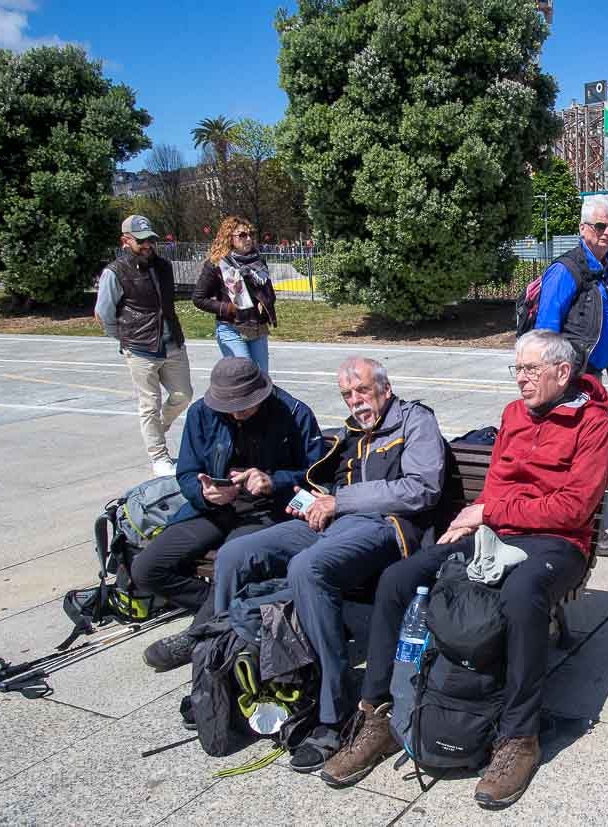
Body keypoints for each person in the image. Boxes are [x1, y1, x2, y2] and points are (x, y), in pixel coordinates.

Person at [319, 330, 608, 809]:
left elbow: (573, 510)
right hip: (494, 531)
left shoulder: (594, 424)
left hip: (558, 544)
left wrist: (493, 512)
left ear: (562, 372)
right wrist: (473, 518)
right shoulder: (515, 415)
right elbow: (494, 487)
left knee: (521, 596)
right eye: (516, 369)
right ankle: (378, 717)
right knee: (399, 579)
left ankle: (519, 738)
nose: (520, 379)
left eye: (529, 369)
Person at [212, 356, 446, 773]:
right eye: (346, 395)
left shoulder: (415, 421)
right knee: (236, 554)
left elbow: (421, 489)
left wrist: (340, 501)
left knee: (307, 569)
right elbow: (328, 483)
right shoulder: (351, 432)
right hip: (332, 524)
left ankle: (332, 710)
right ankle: (225, 674)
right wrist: (309, 501)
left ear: (385, 389)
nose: (355, 401)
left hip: (385, 527)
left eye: (361, 391)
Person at [136, 357, 324, 671]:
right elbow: (186, 472)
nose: (237, 412)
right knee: (146, 568)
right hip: (213, 509)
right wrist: (204, 492)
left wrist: (271, 480)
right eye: (229, 406)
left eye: (245, 406)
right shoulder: (201, 413)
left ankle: (198, 634)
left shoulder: (293, 413)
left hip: (267, 510)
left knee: (231, 559)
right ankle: (225, 605)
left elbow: (317, 475)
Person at [95, 215, 193, 477]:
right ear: (125, 241)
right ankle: (159, 457)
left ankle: (157, 428)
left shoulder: (164, 266)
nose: (148, 245)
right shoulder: (114, 272)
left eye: (150, 240)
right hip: (139, 347)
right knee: (149, 404)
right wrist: (125, 338)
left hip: (172, 343)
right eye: (141, 241)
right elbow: (104, 313)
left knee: (183, 395)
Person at [532, 194, 608, 390]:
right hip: (569, 377)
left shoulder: (605, 270)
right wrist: (551, 378)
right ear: (583, 228)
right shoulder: (565, 270)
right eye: (600, 226)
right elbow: (546, 329)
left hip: (591, 375)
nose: (607, 232)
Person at [193, 216, 277, 373]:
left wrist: (266, 304)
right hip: (231, 328)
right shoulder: (217, 264)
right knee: (244, 375)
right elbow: (198, 298)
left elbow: (269, 292)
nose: (249, 239)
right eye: (242, 235)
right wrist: (228, 308)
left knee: (261, 378)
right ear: (229, 238)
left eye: (251, 234)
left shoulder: (258, 262)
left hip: (256, 327)